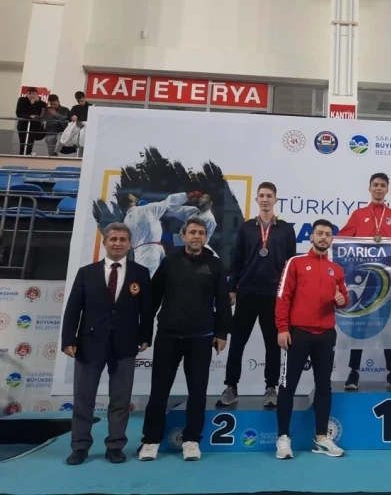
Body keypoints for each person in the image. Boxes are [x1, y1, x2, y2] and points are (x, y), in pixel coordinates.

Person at [138, 217, 232, 462]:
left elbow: (223, 301)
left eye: (201, 233)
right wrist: (145, 334)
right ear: (183, 236)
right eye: (192, 232)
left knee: (198, 392)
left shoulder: (215, 264)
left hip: (201, 337)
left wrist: (222, 333)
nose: (196, 236)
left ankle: (192, 440)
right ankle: (150, 440)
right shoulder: (169, 261)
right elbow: (152, 299)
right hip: (168, 336)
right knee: (159, 391)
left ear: (206, 237)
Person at [61, 223, 153, 465]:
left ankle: (115, 446)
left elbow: (147, 309)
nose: (118, 243)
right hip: (89, 344)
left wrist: (145, 336)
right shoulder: (86, 273)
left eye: (123, 239)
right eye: (113, 239)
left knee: (120, 400)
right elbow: (73, 309)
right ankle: (80, 446)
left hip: (125, 344)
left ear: (130, 244)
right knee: (84, 399)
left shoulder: (141, 273)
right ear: (104, 243)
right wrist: (68, 339)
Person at [274, 219, 349, 460]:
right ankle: (283, 438)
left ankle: (321, 439)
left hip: (326, 335)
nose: (323, 237)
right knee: (288, 386)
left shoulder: (336, 269)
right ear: (311, 236)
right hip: (298, 333)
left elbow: (344, 298)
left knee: (324, 386)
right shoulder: (295, 262)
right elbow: (283, 296)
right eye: (320, 233)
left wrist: (342, 301)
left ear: (331, 239)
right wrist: (282, 328)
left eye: (328, 234)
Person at [219, 182, 297, 409]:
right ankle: (231, 387)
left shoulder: (286, 229)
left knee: (272, 344)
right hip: (247, 292)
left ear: (275, 200)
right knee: (237, 342)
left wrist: (290, 294)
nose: (265, 199)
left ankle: (271, 388)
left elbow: (291, 265)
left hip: (273, 294)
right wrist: (231, 288)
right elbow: (237, 260)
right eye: (261, 195)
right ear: (256, 199)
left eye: (269, 196)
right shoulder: (246, 228)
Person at [338, 172, 391, 391]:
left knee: (390, 328)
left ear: (387, 190)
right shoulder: (358, 215)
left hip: (389, 282)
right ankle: (353, 372)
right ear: (369, 188)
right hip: (364, 283)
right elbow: (342, 239)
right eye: (375, 185)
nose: (379, 188)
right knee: (359, 327)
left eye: (382, 185)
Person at [121, 191, 201, 276]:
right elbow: (168, 202)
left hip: (140, 253)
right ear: (132, 200)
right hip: (151, 251)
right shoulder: (146, 208)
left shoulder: (125, 221)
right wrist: (186, 196)